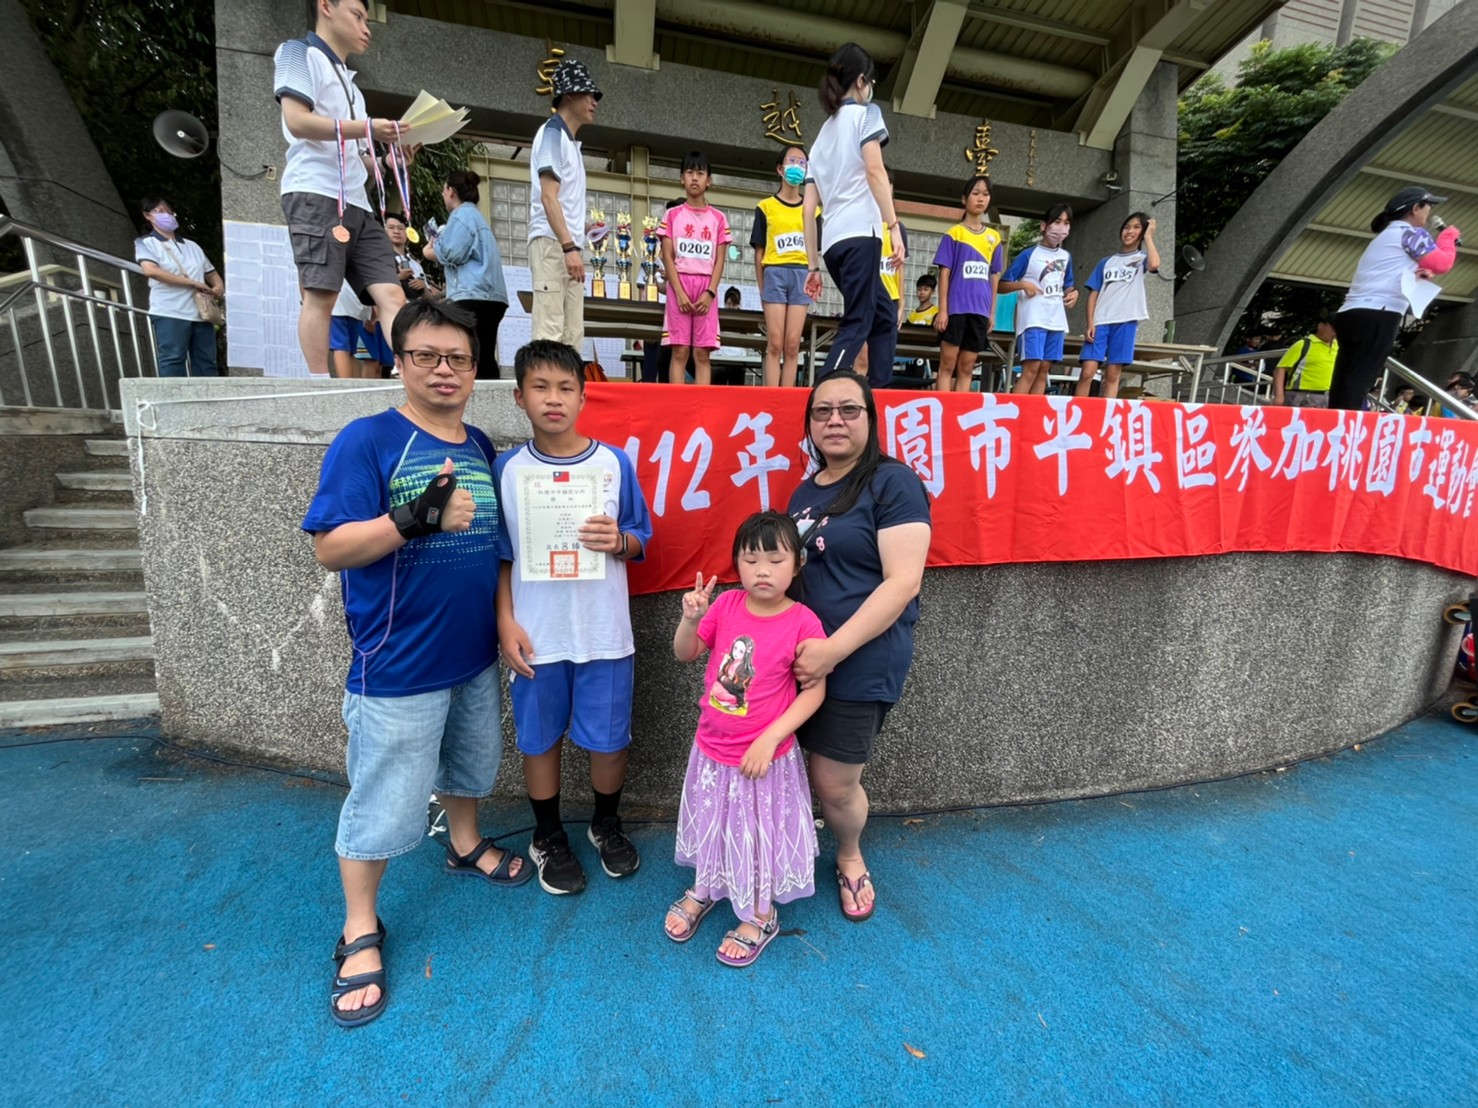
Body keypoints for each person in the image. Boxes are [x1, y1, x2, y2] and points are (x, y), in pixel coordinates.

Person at [301, 297, 531, 1029]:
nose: (444, 370)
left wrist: (503, 622)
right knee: (384, 797)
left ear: (475, 368)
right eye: (427, 356)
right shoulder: (368, 440)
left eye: (458, 358)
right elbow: (330, 546)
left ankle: (463, 844)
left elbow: (495, 548)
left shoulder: (481, 444)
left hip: (474, 655)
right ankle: (359, 927)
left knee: (470, 765)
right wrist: (414, 517)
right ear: (399, 362)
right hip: (397, 663)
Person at [496, 339, 654, 895]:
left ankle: (605, 823)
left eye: (566, 388)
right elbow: (502, 555)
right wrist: (505, 621)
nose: (553, 398)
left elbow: (642, 537)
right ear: (519, 397)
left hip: (603, 631)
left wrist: (620, 541)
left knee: (610, 740)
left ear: (584, 397)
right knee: (539, 740)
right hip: (536, 634)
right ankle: (547, 835)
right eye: (540, 387)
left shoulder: (614, 463)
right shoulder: (506, 469)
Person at [786, 369, 931, 923]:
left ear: (870, 418)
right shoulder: (805, 492)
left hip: (859, 657)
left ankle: (848, 853)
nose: (835, 421)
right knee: (789, 764)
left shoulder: (893, 483)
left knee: (834, 781)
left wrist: (832, 650)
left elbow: (903, 582)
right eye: (822, 411)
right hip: (798, 658)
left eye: (849, 409)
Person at [664, 512, 826, 967]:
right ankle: (706, 887)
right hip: (711, 749)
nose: (762, 570)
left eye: (775, 560)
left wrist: (770, 738)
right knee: (714, 822)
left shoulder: (803, 621)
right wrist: (690, 619)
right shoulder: (726, 606)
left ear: (797, 565)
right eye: (751, 560)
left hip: (764, 758)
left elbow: (815, 691)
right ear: (737, 564)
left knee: (757, 833)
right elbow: (685, 653)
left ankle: (760, 914)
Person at [273, 0, 409, 378]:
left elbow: (358, 159)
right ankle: (319, 385)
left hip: (358, 203)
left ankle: (407, 373)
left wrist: (388, 162)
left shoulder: (353, 88)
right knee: (321, 295)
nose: (366, 27)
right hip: (315, 192)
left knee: (392, 294)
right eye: (358, 15)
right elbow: (297, 121)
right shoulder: (298, 52)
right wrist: (368, 128)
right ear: (326, 6)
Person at [803, 43, 906, 386]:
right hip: (861, 235)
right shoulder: (867, 115)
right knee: (859, 321)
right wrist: (893, 225)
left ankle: (878, 395)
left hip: (834, 244)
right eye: (871, 81)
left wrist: (813, 266)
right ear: (862, 80)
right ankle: (822, 396)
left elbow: (808, 209)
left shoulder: (820, 139)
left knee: (884, 317)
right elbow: (876, 171)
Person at [1328, 186, 1462, 411]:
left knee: (1345, 379)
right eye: (1428, 206)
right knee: (1360, 379)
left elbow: (1395, 268)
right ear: (1416, 208)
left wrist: (1419, 272)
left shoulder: (1386, 236)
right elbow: (1442, 263)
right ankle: (1349, 426)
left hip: (1351, 312)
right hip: (1379, 312)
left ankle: (1335, 422)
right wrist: (1448, 238)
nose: (1430, 211)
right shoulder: (1411, 232)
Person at [529, 58, 601, 350]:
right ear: (569, 94)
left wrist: (583, 228)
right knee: (550, 333)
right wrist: (569, 247)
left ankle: (567, 381)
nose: (594, 102)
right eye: (589, 94)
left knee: (572, 337)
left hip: (565, 244)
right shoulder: (552, 134)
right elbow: (548, 197)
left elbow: (556, 199)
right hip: (553, 245)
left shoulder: (568, 142)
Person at [422, 170, 508, 380]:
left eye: (444, 189)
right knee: (484, 352)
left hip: (471, 295)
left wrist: (429, 250)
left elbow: (452, 252)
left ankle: (471, 393)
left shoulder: (461, 216)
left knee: (466, 352)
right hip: (493, 296)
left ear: (451, 191)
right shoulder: (477, 217)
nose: (443, 194)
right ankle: (491, 394)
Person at [659, 150, 731, 386]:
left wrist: (710, 293)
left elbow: (720, 260)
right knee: (679, 350)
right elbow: (667, 256)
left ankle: (702, 405)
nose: (694, 178)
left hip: (706, 288)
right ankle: (677, 404)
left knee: (702, 353)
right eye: (689, 172)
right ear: (682, 178)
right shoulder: (672, 215)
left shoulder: (718, 218)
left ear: (709, 180)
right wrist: (678, 292)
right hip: (679, 285)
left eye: (700, 173)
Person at [135, 197, 223, 377]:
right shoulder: (145, 242)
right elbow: (151, 270)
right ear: (148, 216)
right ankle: (173, 396)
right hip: (170, 311)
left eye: (169, 212)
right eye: (160, 211)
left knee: (207, 362)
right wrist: (193, 283)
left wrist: (218, 287)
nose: (167, 215)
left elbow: (211, 272)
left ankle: (207, 396)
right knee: (173, 359)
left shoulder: (192, 246)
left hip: (202, 312)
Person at [1076, 213, 1160, 400]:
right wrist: (1090, 322)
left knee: (1113, 375)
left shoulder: (1142, 258)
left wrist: (1148, 237)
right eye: (1127, 227)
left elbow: (1154, 264)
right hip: (1101, 321)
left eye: (1136, 227)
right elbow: (1093, 294)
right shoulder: (1106, 262)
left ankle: (1107, 414)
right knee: (1087, 372)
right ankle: (1077, 412)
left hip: (1126, 321)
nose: (1129, 231)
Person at [933, 177, 1005, 394]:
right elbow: (944, 273)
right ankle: (942, 409)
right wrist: (943, 310)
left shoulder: (994, 237)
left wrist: (992, 312)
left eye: (985, 194)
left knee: (967, 366)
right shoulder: (954, 234)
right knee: (947, 364)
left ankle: (960, 410)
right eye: (975, 193)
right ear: (964, 199)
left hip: (980, 311)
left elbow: (994, 276)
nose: (980, 198)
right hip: (956, 310)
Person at [1000, 204, 1078, 396]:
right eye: (1057, 222)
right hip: (1033, 319)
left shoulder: (1066, 256)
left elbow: (1068, 284)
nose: (1061, 228)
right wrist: (1023, 285)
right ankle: (1015, 409)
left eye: (1066, 223)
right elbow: (1001, 285)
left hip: (1056, 320)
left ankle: (1034, 411)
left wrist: (1073, 293)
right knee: (1031, 368)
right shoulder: (1029, 254)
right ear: (1044, 225)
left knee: (1044, 369)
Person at [752, 146, 813, 388]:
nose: (797, 166)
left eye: (802, 162)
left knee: (792, 345)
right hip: (774, 274)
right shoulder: (765, 207)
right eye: (792, 161)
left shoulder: (812, 209)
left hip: (802, 275)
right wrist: (762, 287)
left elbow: (815, 251)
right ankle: (770, 398)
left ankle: (787, 399)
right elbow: (759, 252)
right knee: (775, 343)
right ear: (780, 168)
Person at [328, 280, 392, 379]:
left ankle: (345, 384)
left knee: (340, 347)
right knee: (351, 350)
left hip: (339, 301)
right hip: (357, 304)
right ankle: (355, 383)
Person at [1271, 316, 1338, 407]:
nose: (1335, 333)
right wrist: (1279, 395)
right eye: (1333, 328)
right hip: (1303, 395)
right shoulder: (1303, 344)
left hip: (1328, 396)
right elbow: (1280, 369)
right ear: (1321, 326)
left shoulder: (1337, 347)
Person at [385, 213, 437, 301]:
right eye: (391, 227)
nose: (396, 231)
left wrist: (423, 287)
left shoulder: (416, 265)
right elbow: (376, 289)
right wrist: (400, 277)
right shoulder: (380, 259)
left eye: (400, 228)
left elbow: (429, 300)